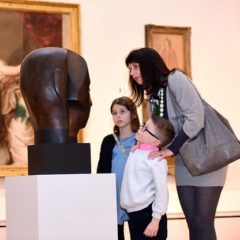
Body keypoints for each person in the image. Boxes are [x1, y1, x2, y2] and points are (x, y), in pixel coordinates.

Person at [125, 47, 228, 240]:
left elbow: (195, 118)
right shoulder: (153, 96)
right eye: (130, 69)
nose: (132, 73)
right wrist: (142, 146)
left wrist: (171, 149)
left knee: (203, 223)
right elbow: (158, 134)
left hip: (207, 157)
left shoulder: (175, 79)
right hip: (184, 162)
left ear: (149, 65)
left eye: (136, 67)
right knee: (192, 223)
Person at [120, 115, 175, 240]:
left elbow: (162, 192)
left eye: (145, 129)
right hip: (134, 214)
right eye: (143, 125)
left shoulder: (156, 160)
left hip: (149, 216)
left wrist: (155, 221)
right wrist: (138, 145)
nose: (140, 129)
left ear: (155, 142)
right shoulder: (136, 151)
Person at [97, 96, 140, 240]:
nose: (118, 116)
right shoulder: (109, 141)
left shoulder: (141, 139)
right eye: (114, 113)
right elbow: (101, 171)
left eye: (122, 111)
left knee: (138, 233)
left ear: (132, 114)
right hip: (114, 195)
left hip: (136, 196)